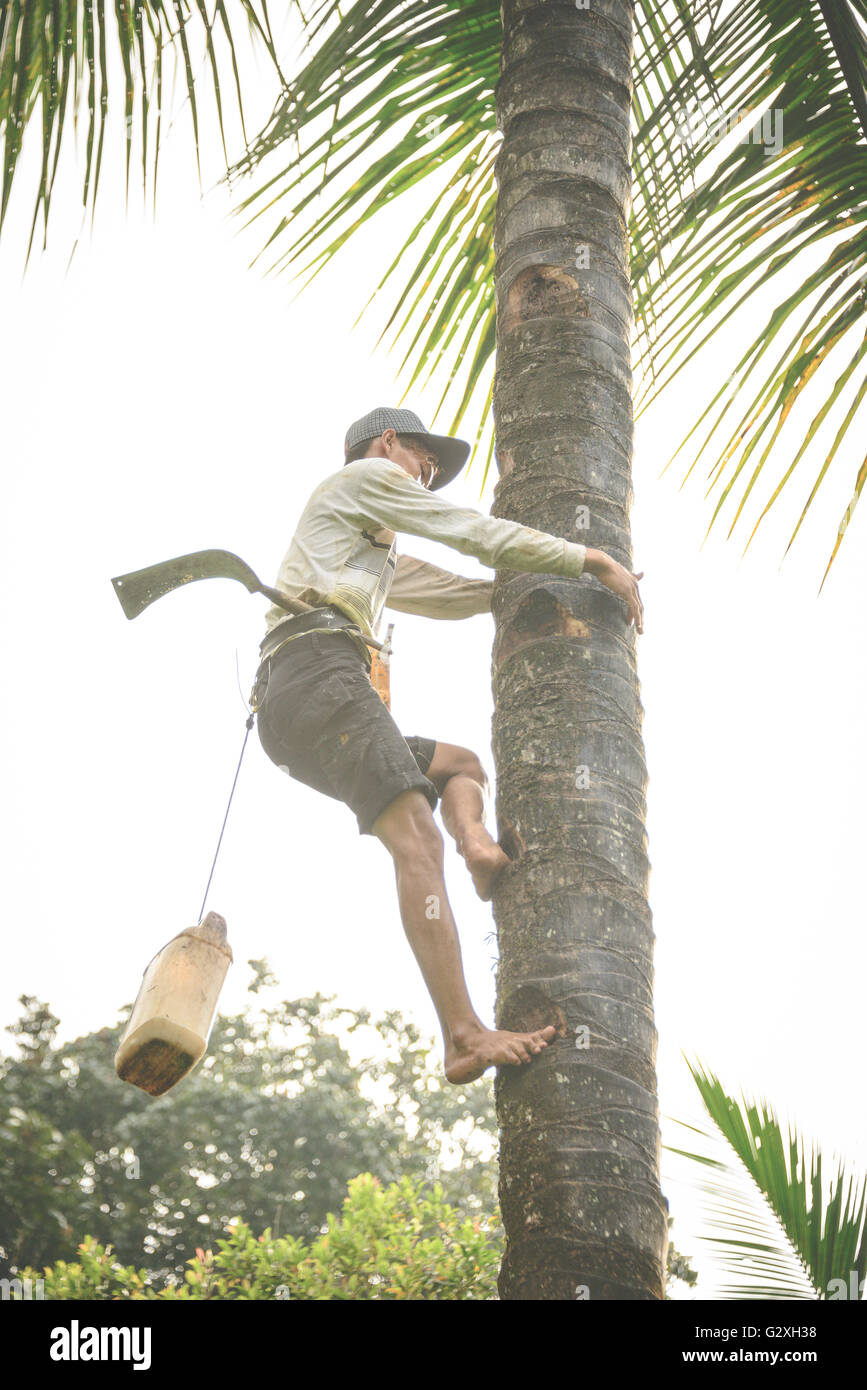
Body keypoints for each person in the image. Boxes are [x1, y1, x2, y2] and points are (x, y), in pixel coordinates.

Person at [252, 407, 644, 1084]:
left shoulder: (364, 547)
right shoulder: (363, 478)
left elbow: (448, 591)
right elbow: (466, 531)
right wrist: (590, 558)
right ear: (385, 445)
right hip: (315, 670)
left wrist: (541, 584)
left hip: (298, 706)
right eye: (422, 465)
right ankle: (462, 1035)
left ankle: (480, 852)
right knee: (414, 838)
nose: (423, 482)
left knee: (460, 766)